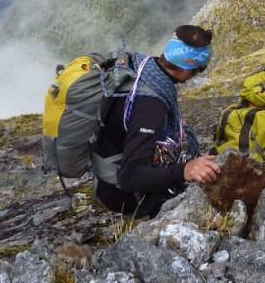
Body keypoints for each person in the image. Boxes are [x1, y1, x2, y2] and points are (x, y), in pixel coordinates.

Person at [93, 24, 221, 218]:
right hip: (122, 193)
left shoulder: (143, 67)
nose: (197, 74)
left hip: (107, 168)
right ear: (187, 66)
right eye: (198, 70)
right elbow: (130, 177)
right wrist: (184, 170)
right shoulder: (151, 105)